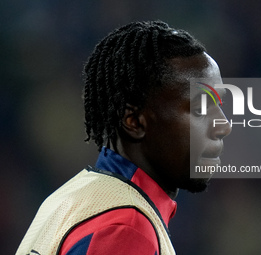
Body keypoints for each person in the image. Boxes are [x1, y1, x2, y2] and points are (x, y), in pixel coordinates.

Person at [16, 20, 231, 255]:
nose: (223, 126)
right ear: (134, 121)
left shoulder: (68, 198)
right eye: (200, 109)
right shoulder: (127, 228)